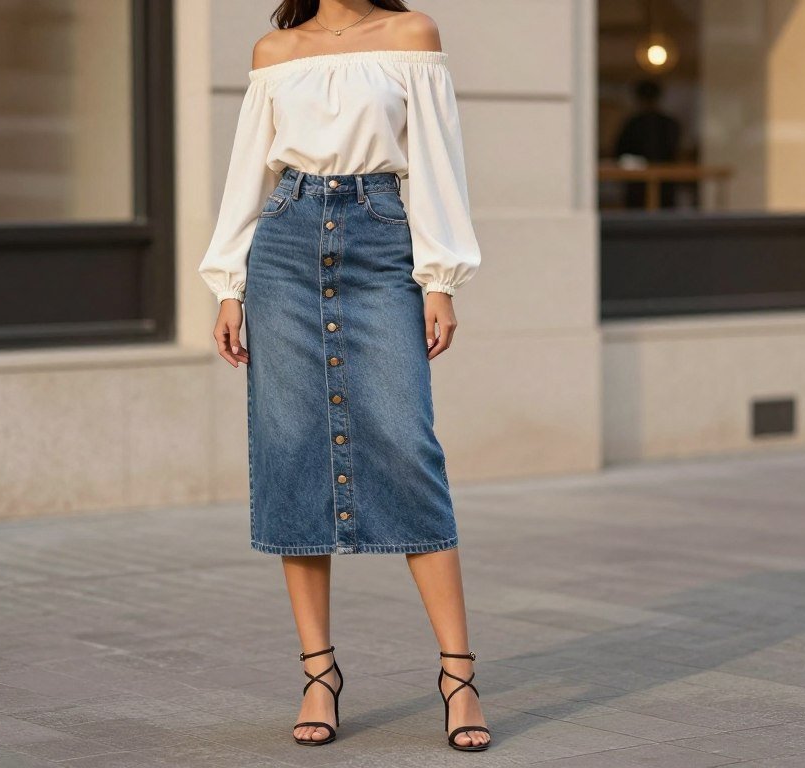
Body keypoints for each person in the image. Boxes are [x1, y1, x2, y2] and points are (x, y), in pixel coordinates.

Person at [197, 0, 489, 752]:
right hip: (286, 244)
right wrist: (227, 285)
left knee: (406, 446)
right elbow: (245, 174)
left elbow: (436, 157)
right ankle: (318, 673)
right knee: (291, 449)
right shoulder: (274, 51)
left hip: (382, 238)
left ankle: (458, 676)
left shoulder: (411, 35)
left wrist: (440, 278)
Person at [614, 78, 681, 209]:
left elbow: (619, 152)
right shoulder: (669, 123)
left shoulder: (633, 123)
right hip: (652, 184)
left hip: (647, 184)